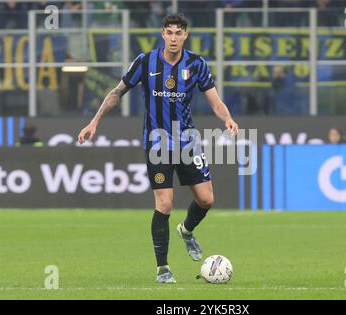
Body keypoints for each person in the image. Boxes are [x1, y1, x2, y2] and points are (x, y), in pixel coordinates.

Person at [78, 14, 239, 284]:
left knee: (206, 200)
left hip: (187, 142)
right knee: (164, 204)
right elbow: (117, 91)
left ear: (185, 35)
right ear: (162, 34)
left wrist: (228, 119)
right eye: (169, 32)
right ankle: (162, 268)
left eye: (179, 32)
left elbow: (214, 100)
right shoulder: (145, 61)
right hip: (157, 144)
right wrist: (94, 122)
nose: (174, 37)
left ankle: (186, 231)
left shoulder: (196, 64)